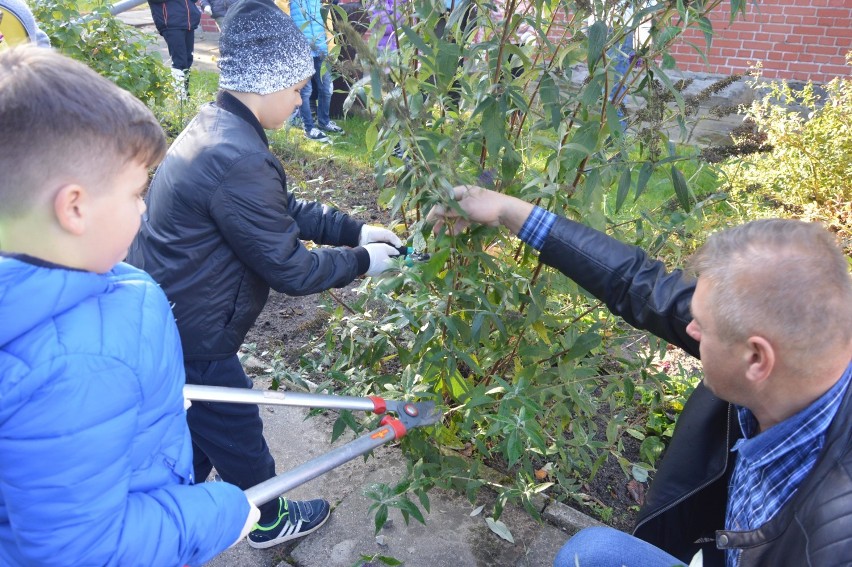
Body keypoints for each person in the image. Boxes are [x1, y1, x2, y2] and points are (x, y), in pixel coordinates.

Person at [427, 186, 852, 567]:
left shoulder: (832, 540)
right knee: (592, 552)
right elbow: (637, 283)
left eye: (702, 326)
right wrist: (506, 209)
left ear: (757, 359)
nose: (689, 328)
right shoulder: (797, 360)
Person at [126, 0, 402, 550]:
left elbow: (277, 209)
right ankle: (270, 521)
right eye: (298, 88)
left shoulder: (221, 126)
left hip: (172, 312)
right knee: (236, 425)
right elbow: (291, 268)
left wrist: (354, 231)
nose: (302, 98)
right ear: (267, 84)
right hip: (195, 329)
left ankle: (173, 492)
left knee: (197, 416)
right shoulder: (237, 155)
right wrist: (365, 263)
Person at [0, 45, 259, 566]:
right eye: (137, 193)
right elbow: (82, 550)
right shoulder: (79, 366)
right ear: (74, 207)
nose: (144, 211)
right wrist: (220, 512)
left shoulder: (78, 279)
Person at [289, 0, 345, 142]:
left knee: (326, 88)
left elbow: (327, 20)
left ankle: (324, 122)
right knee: (305, 91)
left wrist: (331, 45)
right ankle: (308, 128)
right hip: (301, 51)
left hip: (322, 48)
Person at [148, 0, 201, 95]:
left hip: (188, 22)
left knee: (188, 60)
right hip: (171, 22)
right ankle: (180, 96)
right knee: (179, 61)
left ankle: (184, 94)